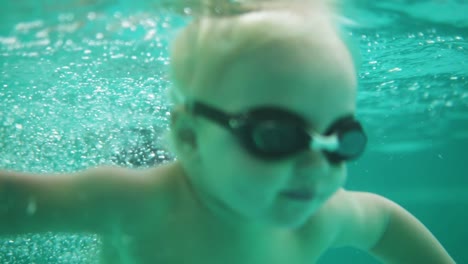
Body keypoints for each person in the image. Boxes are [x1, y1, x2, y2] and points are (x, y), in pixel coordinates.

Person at [0, 1, 455, 263]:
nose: (318, 163)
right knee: (141, 155)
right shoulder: (139, 202)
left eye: (342, 140)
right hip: (170, 166)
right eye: (277, 136)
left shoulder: (318, 218)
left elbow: (383, 222)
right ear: (191, 137)